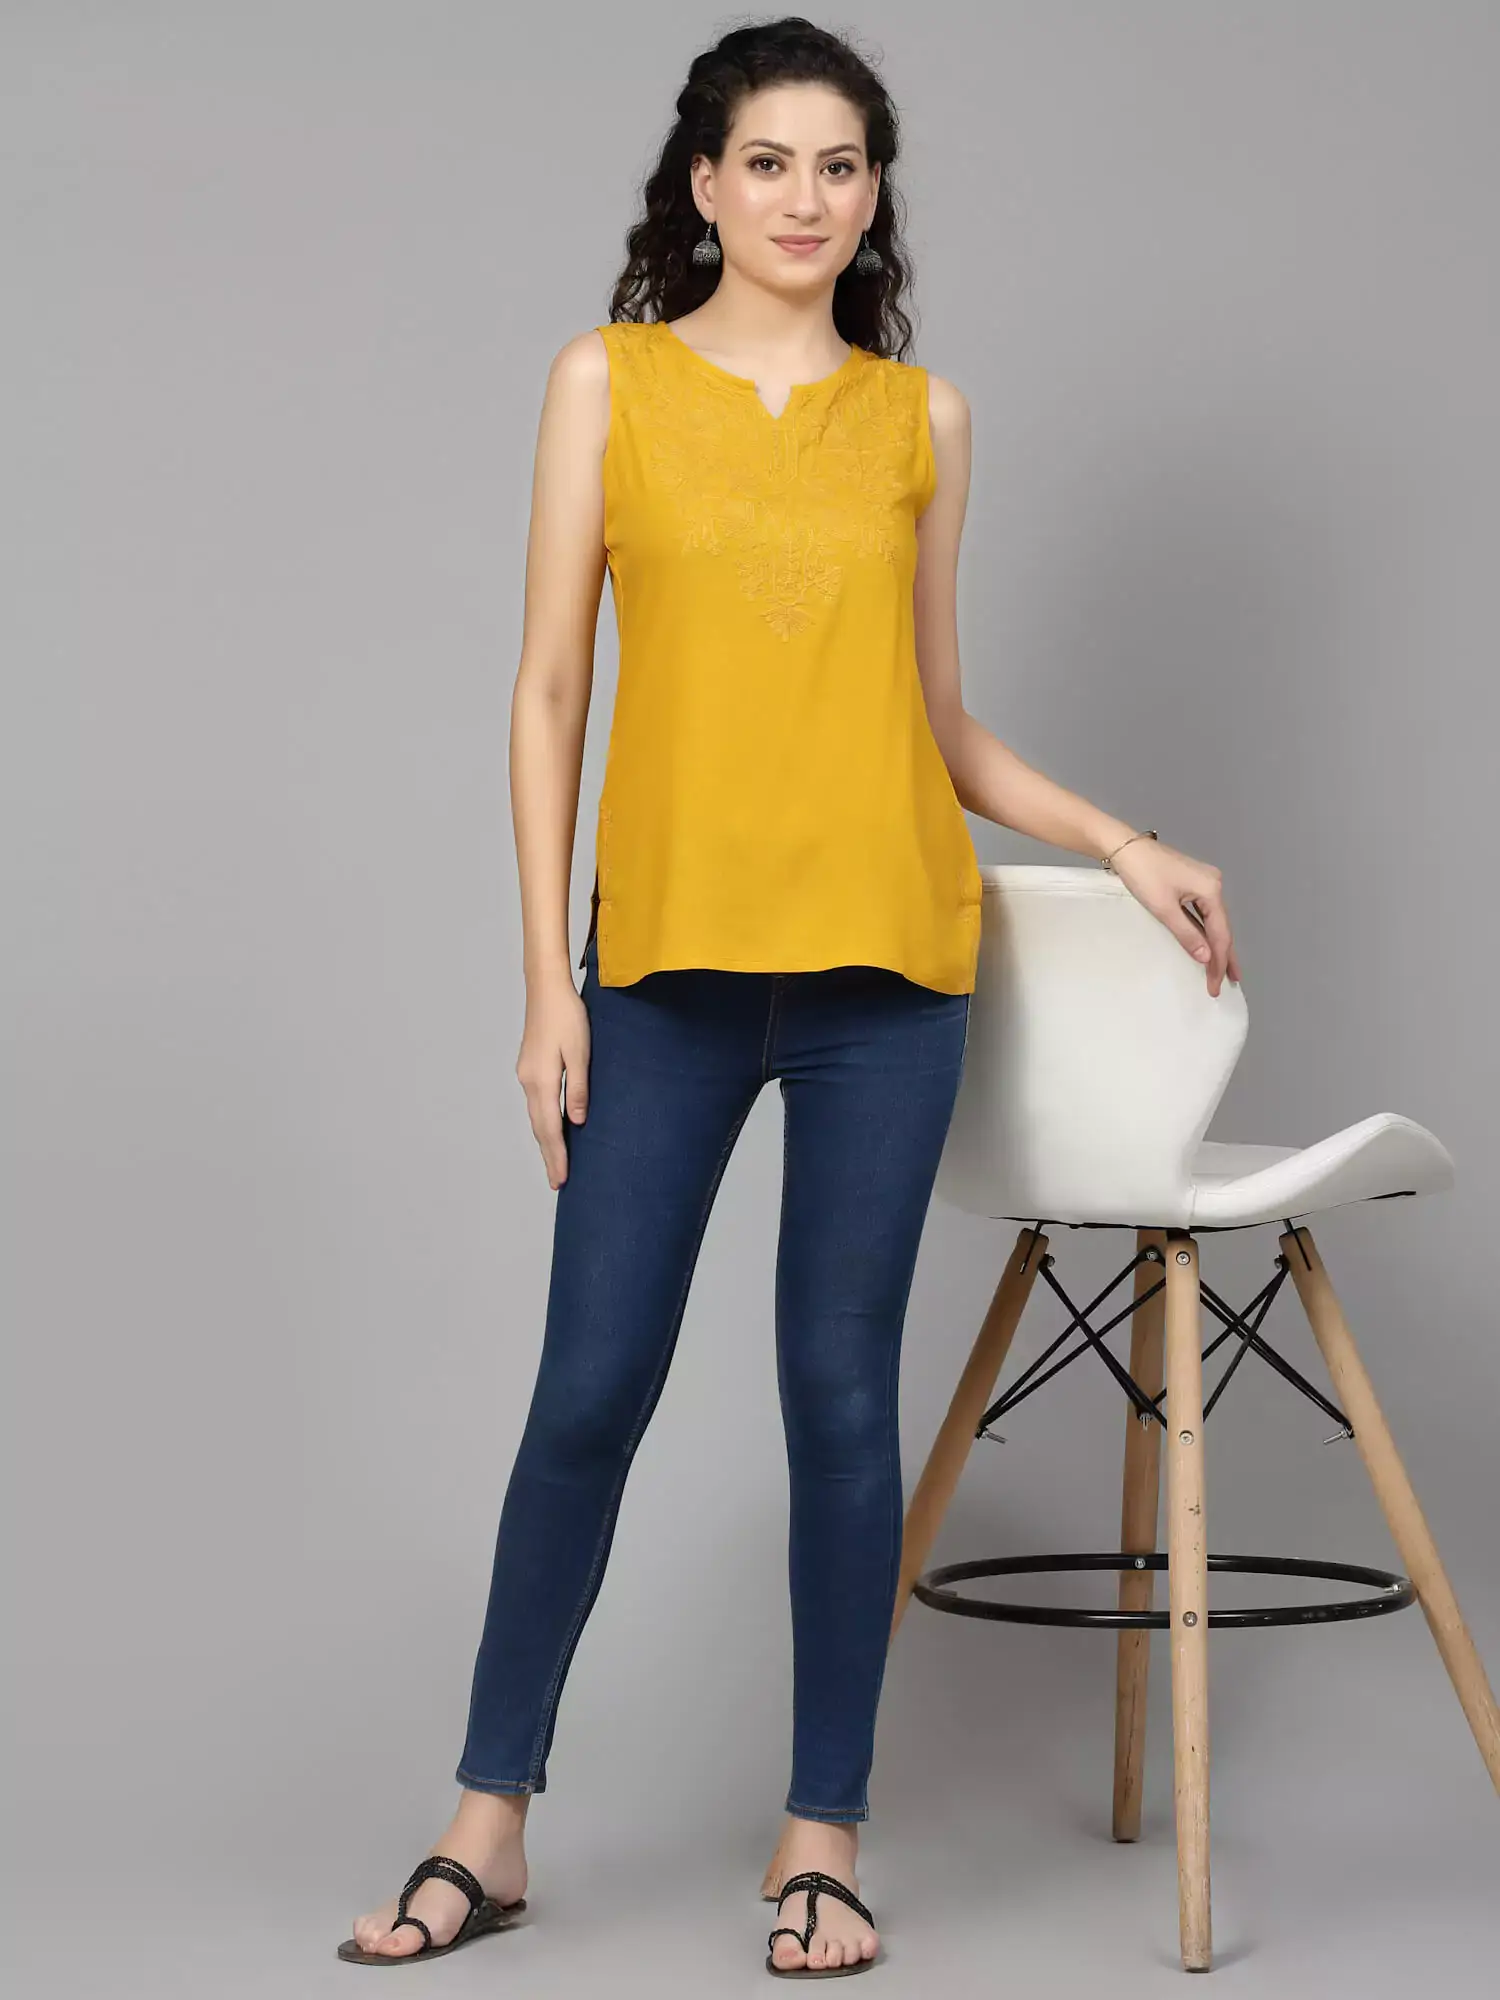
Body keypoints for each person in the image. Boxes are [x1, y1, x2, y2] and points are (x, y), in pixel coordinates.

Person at [337, 15, 1240, 1980]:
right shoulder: (608, 382)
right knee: (590, 1389)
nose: (805, 198)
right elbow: (548, 692)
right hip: (659, 976)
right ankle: (488, 1823)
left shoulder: (925, 421)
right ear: (703, 183)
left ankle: (822, 1834)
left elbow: (940, 724)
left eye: (841, 165)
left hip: (887, 982)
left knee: (839, 1401)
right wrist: (544, 984)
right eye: (769, 162)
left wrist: (1124, 840)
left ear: (872, 192)